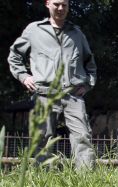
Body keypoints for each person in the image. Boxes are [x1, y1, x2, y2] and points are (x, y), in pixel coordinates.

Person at [8, 0, 97, 169]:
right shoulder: (34, 30)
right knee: (42, 138)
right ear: (47, 4)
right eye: (57, 4)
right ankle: (42, 180)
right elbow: (15, 56)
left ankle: (86, 183)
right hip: (44, 93)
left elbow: (90, 63)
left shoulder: (77, 33)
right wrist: (23, 76)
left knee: (83, 136)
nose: (61, 8)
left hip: (73, 95)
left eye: (64, 5)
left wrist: (88, 84)